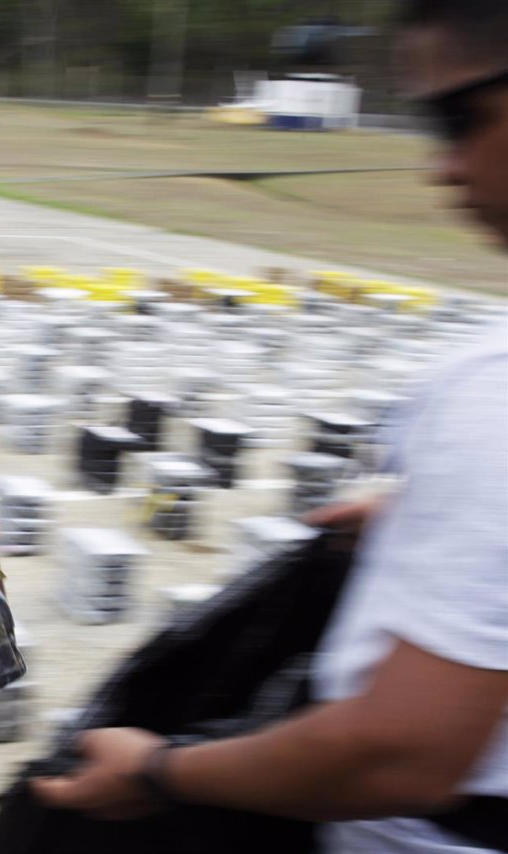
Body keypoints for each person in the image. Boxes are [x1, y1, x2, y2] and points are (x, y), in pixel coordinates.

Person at [31, 2, 508, 850]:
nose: (442, 168)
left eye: (458, 118)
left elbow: (400, 756)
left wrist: (154, 773)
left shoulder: (490, 391)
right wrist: (431, 525)